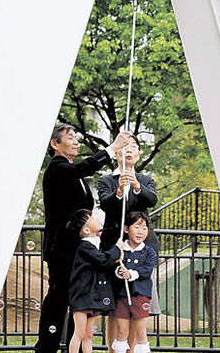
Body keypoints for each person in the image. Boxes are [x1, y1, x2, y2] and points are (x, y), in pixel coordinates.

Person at [35, 123, 130, 353]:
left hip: (77, 247)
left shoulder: (72, 172)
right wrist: (112, 148)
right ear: (55, 144)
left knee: (77, 299)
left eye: (76, 137)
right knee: (59, 296)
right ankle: (46, 348)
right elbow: (84, 168)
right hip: (62, 248)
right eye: (70, 137)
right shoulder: (57, 168)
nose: (76, 142)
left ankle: (73, 347)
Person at [98, 136, 160, 353]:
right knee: (116, 306)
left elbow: (151, 200)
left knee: (137, 303)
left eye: (133, 147)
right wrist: (118, 191)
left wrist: (135, 185)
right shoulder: (106, 180)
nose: (129, 150)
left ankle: (133, 350)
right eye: (124, 147)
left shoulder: (145, 180)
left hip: (140, 250)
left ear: (139, 154)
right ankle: (113, 350)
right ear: (117, 153)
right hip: (114, 247)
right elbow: (105, 204)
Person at [67, 209, 124, 353]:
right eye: (91, 218)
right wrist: (117, 249)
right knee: (79, 333)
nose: (95, 218)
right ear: (86, 230)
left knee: (88, 335)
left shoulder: (94, 245)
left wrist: (115, 256)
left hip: (91, 296)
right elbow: (103, 260)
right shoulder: (84, 246)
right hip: (81, 297)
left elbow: (103, 261)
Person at [111, 212, 156, 353]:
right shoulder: (120, 250)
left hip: (140, 295)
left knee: (140, 333)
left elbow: (147, 270)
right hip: (122, 295)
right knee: (121, 332)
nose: (140, 232)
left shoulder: (149, 251)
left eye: (144, 228)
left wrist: (131, 274)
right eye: (136, 227)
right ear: (126, 229)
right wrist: (119, 271)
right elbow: (112, 267)